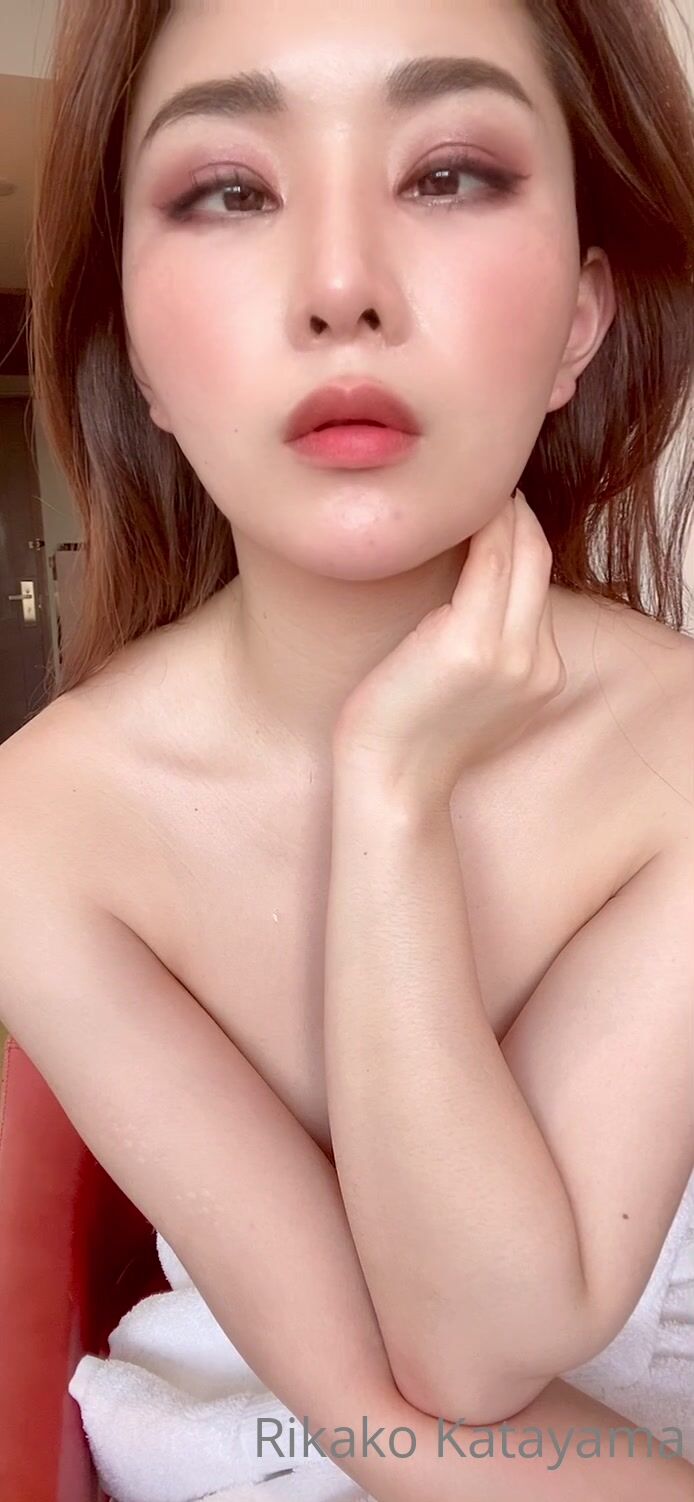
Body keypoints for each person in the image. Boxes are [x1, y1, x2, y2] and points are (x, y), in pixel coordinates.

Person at [1, 0, 693, 1496]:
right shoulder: (44, 826)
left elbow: (487, 1338)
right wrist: (393, 793)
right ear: (140, 353)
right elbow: (419, 1395)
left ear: (581, 321)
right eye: (227, 191)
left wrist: (391, 802)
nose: (339, 289)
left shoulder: (678, 746)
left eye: (447, 174)